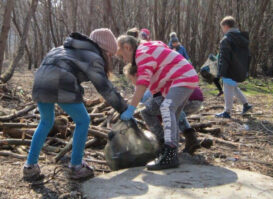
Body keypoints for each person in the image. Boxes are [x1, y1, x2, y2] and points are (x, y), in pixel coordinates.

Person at [23, 29, 128, 180]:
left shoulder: (62, 48)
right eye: (110, 54)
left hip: (40, 81)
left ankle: (30, 166)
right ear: (103, 49)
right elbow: (105, 88)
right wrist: (123, 108)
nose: (110, 57)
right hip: (61, 82)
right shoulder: (93, 57)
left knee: (46, 121)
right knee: (83, 120)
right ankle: (76, 167)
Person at [116, 35, 199, 170]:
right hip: (183, 77)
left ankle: (170, 152)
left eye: (122, 55)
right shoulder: (147, 48)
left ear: (127, 47)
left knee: (166, 108)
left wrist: (131, 109)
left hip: (182, 77)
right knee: (174, 114)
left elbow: (142, 83)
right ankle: (171, 152)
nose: (124, 60)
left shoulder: (141, 54)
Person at [123, 63, 203, 154]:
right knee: (173, 110)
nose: (132, 82)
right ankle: (191, 138)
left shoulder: (148, 86)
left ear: (136, 75)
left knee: (145, 111)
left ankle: (163, 142)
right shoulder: (158, 74)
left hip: (187, 97)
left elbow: (156, 104)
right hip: (197, 99)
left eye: (131, 79)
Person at [216, 16, 252, 119]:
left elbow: (224, 58)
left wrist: (221, 73)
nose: (222, 30)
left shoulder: (226, 40)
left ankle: (227, 112)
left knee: (227, 88)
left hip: (230, 70)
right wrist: (246, 70)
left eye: (222, 27)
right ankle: (246, 105)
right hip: (240, 69)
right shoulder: (243, 38)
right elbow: (248, 56)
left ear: (226, 26)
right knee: (234, 87)